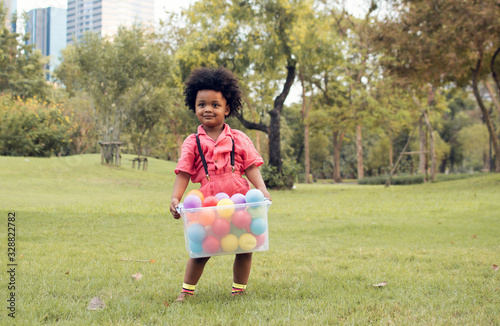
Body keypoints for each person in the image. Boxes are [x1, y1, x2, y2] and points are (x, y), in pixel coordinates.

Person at [170, 67, 271, 302]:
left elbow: (251, 166)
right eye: (202, 104)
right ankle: (186, 291)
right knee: (201, 249)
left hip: (240, 201)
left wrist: (262, 190)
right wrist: (176, 198)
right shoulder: (192, 141)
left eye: (215, 105)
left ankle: (239, 290)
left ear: (227, 108)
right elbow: (183, 172)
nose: (208, 109)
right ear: (194, 107)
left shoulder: (239, 138)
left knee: (245, 247)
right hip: (208, 202)